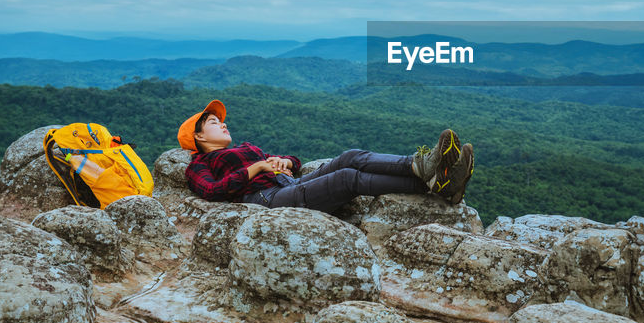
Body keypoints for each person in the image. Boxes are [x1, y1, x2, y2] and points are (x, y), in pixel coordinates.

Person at [178, 99, 473, 212]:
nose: (223, 123)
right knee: (346, 178)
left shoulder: (246, 147)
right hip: (265, 200)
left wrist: (285, 162)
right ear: (199, 137)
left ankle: (421, 167)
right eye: (214, 122)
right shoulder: (200, 164)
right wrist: (256, 169)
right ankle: (433, 182)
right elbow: (213, 191)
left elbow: (295, 160)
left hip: (287, 184)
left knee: (350, 156)